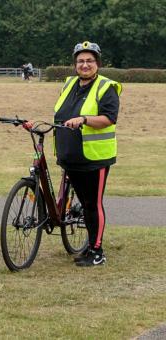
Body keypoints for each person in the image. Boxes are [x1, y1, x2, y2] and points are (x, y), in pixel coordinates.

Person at [53, 41, 121, 267]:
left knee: (92, 204)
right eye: (80, 61)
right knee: (83, 202)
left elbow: (109, 118)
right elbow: (61, 113)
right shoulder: (69, 84)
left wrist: (83, 120)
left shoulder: (106, 87)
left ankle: (97, 251)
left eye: (89, 61)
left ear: (97, 64)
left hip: (94, 158)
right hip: (70, 155)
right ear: (75, 65)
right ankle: (89, 244)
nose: (84, 65)